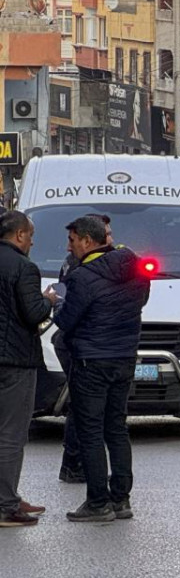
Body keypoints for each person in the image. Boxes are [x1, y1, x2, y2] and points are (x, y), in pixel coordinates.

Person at [54, 214, 151, 522]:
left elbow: (66, 321)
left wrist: (57, 303)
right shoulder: (134, 271)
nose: (69, 247)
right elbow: (140, 303)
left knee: (91, 431)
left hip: (91, 361)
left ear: (87, 240)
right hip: (124, 358)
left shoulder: (81, 277)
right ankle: (121, 499)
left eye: (72, 241)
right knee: (117, 428)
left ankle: (98, 502)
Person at [0, 212, 56, 527]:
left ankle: (7, 495)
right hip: (15, 361)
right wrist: (48, 300)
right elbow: (33, 312)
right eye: (31, 235)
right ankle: (6, 506)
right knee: (11, 434)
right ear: (20, 235)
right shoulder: (24, 267)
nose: (33, 242)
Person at [54, 215, 113, 483]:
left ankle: (72, 462)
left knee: (82, 405)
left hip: (85, 342)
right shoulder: (78, 264)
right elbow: (68, 312)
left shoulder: (91, 262)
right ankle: (74, 463)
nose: (110, 239)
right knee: (83, 406)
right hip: (76, 343)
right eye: (107, 234)